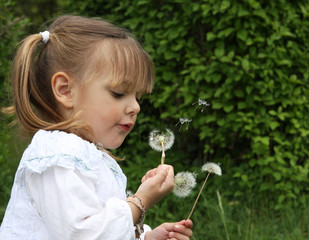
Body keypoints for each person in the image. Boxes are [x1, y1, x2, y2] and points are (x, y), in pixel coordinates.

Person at [0, 15, 193, 240]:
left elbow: (98, 223)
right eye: (119, 93)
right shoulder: (57, 157)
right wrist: (139, 202)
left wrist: (145, 237)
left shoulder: (83, 155)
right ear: (65, 90)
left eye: (137, 96)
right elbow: (84, 234)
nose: (135, 107)